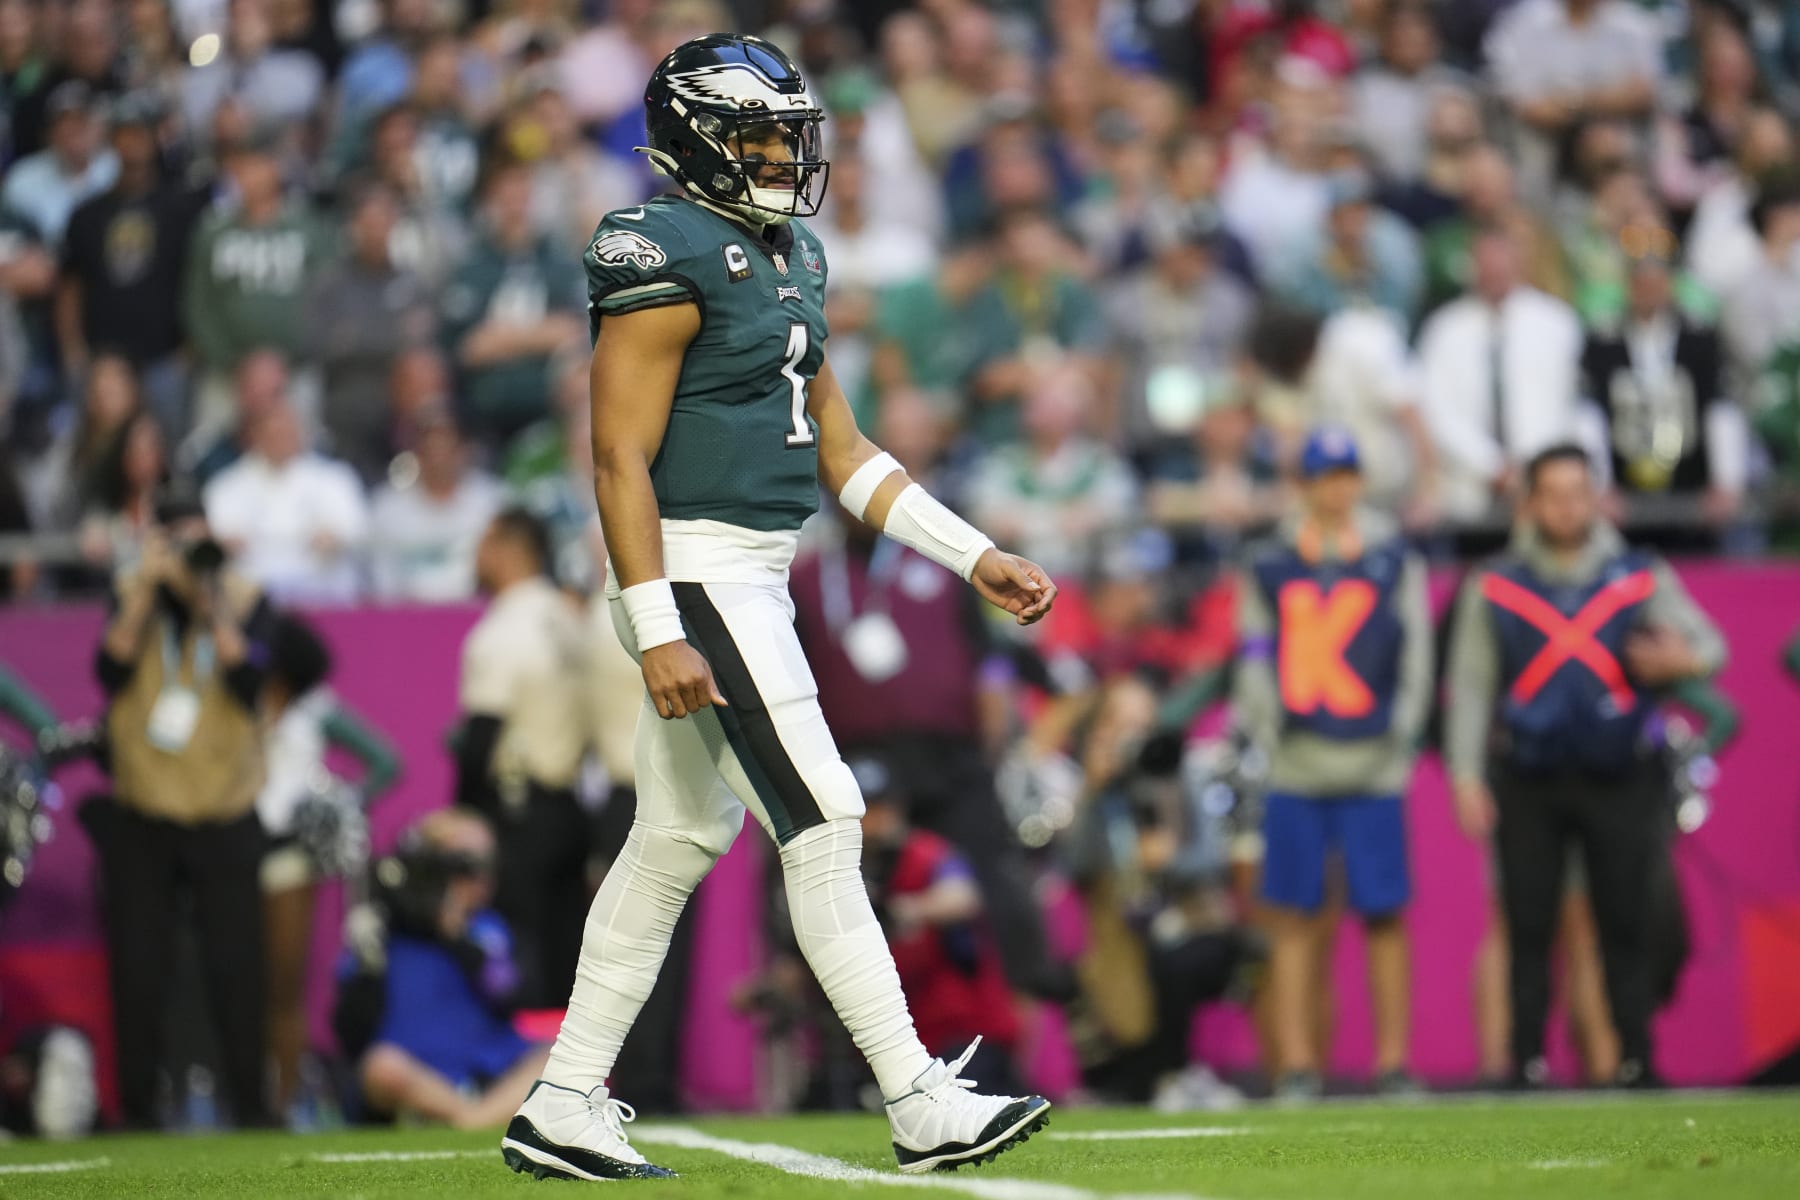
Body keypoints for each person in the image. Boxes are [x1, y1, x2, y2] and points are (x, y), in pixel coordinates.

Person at [503, 35, 1056, 1183]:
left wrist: (972, 554)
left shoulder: (791, 250)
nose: (780, 156)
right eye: (758, 135)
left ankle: (560, 1099)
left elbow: (845, 453)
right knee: (829, 821)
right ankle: (914, 1099)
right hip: (695, 572)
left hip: (751, 571)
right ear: (698, 139)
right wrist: (655, 625)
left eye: (785, 135)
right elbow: (616, 457)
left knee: (674, 840)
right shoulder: (658, 248)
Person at [1445, 443, 1726, 1087]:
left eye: (1580, 492)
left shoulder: (1636, 573)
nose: (1570, 507)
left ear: (1597, 497)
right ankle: (1525, 1062)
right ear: (1530, 503)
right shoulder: (1497, 583)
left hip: (1617, 771)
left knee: (1622, 921)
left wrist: (1683, 662)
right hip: (1529, 776)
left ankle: (1637, 1059)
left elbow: (1710, 645)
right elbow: (1470, 685)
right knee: (1526, 923)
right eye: (1555, 494)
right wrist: (1465, 773)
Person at [1233, 427, 1431, 1101]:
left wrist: (1399, 734)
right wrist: (1268, 729)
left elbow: (1417, 657)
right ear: (1305, 484)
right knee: (1290, 914)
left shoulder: (1391, 557)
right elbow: (1254, 651)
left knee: (1384, 913)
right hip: (1298, 763)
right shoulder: (1272, 560)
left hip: (1373, 765)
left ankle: (1393, 1063)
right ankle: (1295, 1063)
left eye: (1345, 473)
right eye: (1323, 474)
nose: (1335, 487)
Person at [85, 490, 275, 1129]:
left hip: (225, 811)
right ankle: (138, 1110)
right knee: (139, 968)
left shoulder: (245, 597)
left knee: (238, 970)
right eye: (180, 546)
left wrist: (214, 603)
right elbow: (108, 671)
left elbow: (252, 684)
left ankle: (251, 1108)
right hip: (144, 812)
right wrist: (144, 587)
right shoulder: (132, 592)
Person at [255, 611, 400, 1125]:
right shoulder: (237, 698)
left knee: (284, 987)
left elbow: (385, 760)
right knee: (235, 981)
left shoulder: (315, 707)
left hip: (291, 854)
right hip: (232, 849)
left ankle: (285, 1100)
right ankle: (237, 1094)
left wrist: (341, 804)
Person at [335, 808, 550, 1128]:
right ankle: (475, 1117)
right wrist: (370, 959)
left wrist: (457, 938)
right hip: (415, 1074)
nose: (480, 878)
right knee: (381, 1067)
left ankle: (470, 1119)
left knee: (560, 1057)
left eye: (487, 865)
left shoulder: (489, 930)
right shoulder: (386, 929)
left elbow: (513, 996)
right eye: (465, 866)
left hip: (487, 1065)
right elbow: (351, 1031)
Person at [456, 507, 592, 1009]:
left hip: (518, 819)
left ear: (507, 549)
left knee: (518, 958)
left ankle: (526, 1079)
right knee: (569, 959)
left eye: (482, 544)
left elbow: (480, 741)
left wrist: (465, 822)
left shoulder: (503, 631)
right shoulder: (571, 621)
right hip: (572, 811)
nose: (475, 557)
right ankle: (575, 1081)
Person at [1418, 225, 1592, 528]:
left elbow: (1572, 406)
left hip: (1545, 490)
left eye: (1502, 264)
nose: (1495, 273)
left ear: (1519, 263)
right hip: (1466, 491)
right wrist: (1491, 466)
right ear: (1471, 267)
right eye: (1486, 265)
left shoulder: (1557, 323)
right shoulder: (1443, 330)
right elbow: (1433, 411)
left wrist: (1533, 470)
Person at [56, 90, 204, 440]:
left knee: (167, 459)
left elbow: (201, 283)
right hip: (101, 366)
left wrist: (188, 353)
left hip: (165, 362)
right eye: (123, 132)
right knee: (99, 458)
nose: (132, 142)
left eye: (140, 132)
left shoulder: (184, 209)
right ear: (110, 140)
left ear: (156, 137)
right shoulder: (86, 214)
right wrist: (74, 353)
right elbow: (70, 286)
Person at [202, 394, 370, 605]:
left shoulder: (335, 479)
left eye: (286, 432)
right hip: (252, 598)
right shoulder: (225, 486)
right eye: (272, 434)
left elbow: (354, 529)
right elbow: (224, 535)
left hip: (323, 596)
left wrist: (333, 538)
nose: (280, 440)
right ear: (255, 435)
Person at [369, 407, 505, 603]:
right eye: (431, 449)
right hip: (404, 619)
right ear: (417, 453)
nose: (439, 459)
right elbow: (381, 580)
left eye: (447, 449)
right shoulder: (387, 508)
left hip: (478, 615)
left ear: (464, 451)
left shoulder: (493, 503)